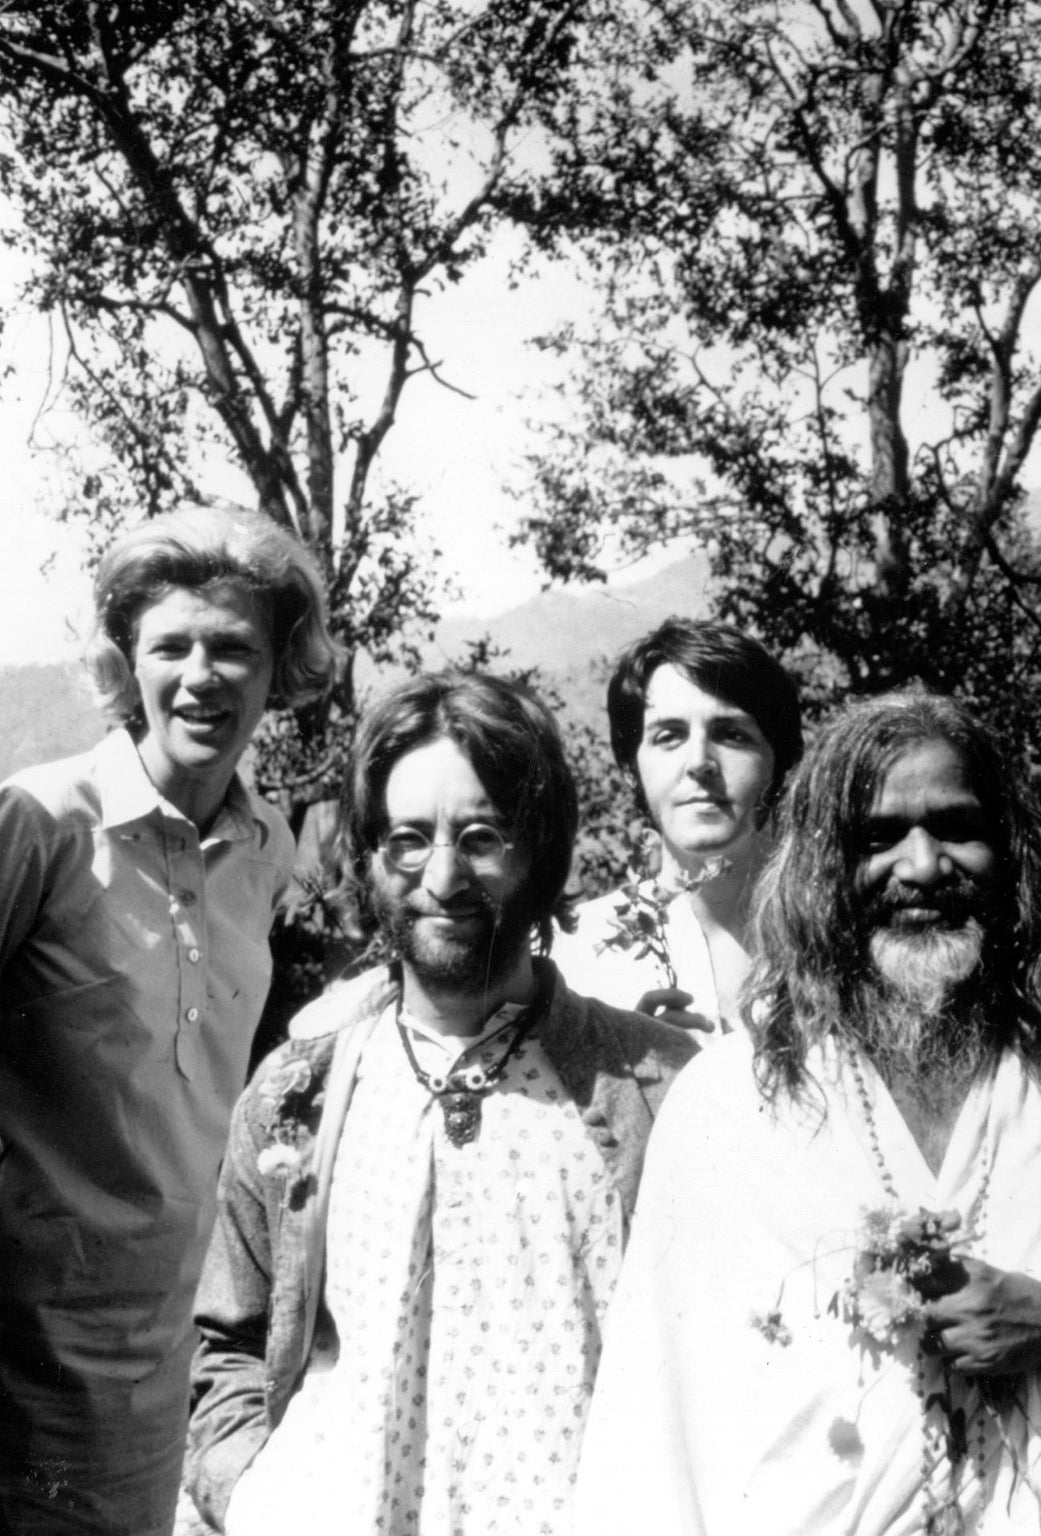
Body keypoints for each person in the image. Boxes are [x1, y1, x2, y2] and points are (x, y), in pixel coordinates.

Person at [575, 692, 1041, 1536]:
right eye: (877, 838)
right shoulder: (728, 1108)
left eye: (956, 828)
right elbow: (651, 1440)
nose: (920, 866)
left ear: (1012, 854)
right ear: (818, 868)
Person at [184, 672, 698, 1534]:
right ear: (371, 858)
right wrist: (253, 1496)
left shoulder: (660, 1087)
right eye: (409, 840)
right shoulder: (292, 1098)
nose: (445, 875)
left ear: (539, 850)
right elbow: (228, 1347)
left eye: (482, 836)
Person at [0, 505, 338, 1535]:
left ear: (280, 667)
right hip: (23, 1372)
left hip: (171, 1368)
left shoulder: (268, 847)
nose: (202, 675)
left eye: (234, 646)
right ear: (125, 665)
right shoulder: (39, 824)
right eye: (170, 646)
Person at [551, 619, 803, 1027]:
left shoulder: (834, 941)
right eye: (669, 736)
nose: (700, 762)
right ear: (632, 768)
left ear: (780, 761)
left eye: (732, 735)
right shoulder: (570, 956)